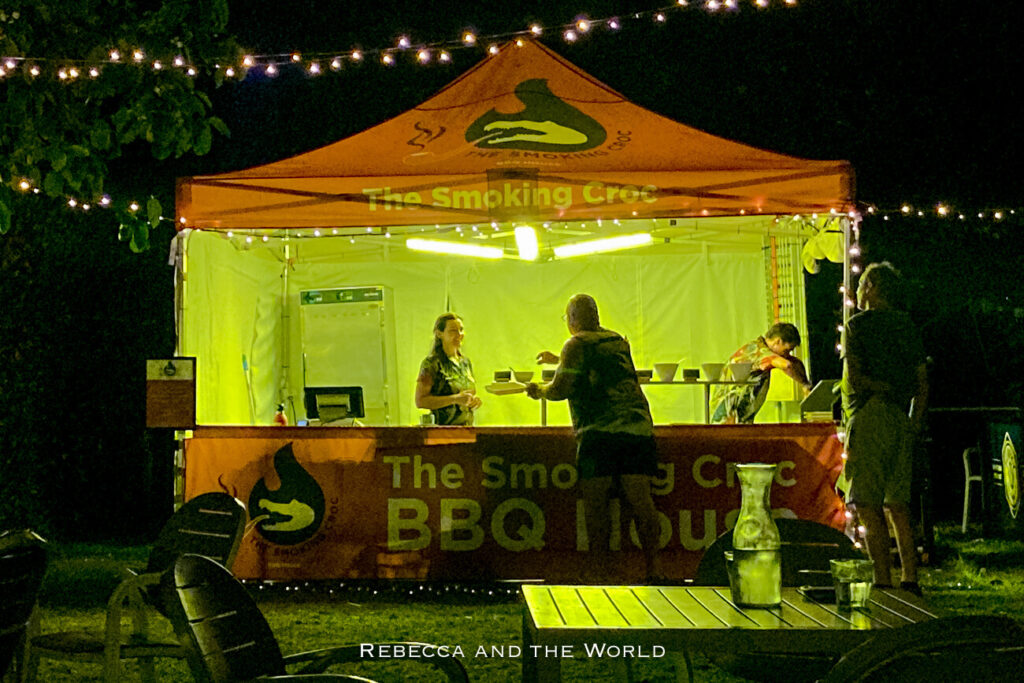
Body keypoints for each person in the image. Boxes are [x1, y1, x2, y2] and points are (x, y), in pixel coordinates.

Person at [525, 294, 662, 583]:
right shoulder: (616, 340)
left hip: (598, 432)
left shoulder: (576, 343)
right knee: (641, 499)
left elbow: (561, 388)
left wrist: (539, 390)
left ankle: (600, 570)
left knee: (596, 505)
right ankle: (654, 568)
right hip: (637, 427)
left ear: (572, 319)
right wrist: (559, 358)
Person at [841, 262, 927, 595]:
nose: (858, 292)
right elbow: (922, 381)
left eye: (862, 285)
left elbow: (856, 377)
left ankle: (882, 579)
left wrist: (877, 388)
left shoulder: (858, 326)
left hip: (870, 414)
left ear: (873, 287)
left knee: (866, 502)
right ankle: (910, 577)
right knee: (899, 503)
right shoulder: (907, 325)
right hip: (901, 418)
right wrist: (914, 422)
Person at [709, 322, 812, 424]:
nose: (787, 354)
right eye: (787, 350)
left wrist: (805, 383)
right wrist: (805, 386)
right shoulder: (758, 351)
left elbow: (795, 363)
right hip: (727, 414)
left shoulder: (763, 349)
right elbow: (787, 365)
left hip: (741, 415)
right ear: (778, 341)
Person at [415, 313, 482, 425]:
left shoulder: (465, 363)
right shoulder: (431, 364)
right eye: (453, 331)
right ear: (439, 334)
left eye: (461, 330)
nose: (459, 334)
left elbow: (468, 393)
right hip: (443, 431)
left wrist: (473, 401)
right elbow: (420, 401)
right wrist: (455, 399)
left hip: (467, 429)